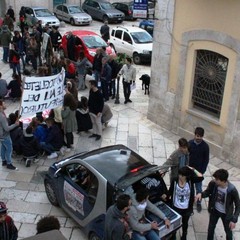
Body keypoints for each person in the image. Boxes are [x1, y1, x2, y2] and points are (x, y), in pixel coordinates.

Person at [195, 169, 240, 240]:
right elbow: (208, 192)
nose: (215, 180)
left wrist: (234, 220)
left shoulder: (232, 190)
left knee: (228, 232)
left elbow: (238, 205)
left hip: (226, 214)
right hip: (214, 210)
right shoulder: (213, 184)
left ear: (223, 180)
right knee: (210, 229)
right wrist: (201, 194)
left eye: (217, 179)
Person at [168, 166, 203, 240]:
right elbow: (170, 191)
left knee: (185, 223)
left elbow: (201, 177)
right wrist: (166, 196)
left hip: (186, 209)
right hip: (176, 207)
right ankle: (173, 235)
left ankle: (184, 235)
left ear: (186, 176)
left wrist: (193, 169)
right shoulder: (175, 180)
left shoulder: (190, 181)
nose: (180, 176)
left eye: (182, 175)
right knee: (174, 223)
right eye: (180, 174)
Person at [189, 127, 209, 212]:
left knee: (199, 188)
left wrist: (202, 171)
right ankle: (190, 200)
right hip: (189, 170)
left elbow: (206, 160)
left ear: (203, 136)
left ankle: (199, 202)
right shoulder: (189, 143)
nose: (198, 138)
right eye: (197, 136)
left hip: (198, 171)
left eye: (200, 136)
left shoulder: (205, 146)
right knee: (189, 186)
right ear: (194, 135)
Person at [0, 100, 19, 170]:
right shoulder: (2, 116)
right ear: (0, 106)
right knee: (9, 149)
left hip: (1, 135)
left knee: (3, 147)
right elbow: (7, 128)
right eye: (4, 104)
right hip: (5, 135)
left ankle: (3, 161)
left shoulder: (2, 113)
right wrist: (15, 124)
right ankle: (9, 163)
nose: (5, 104)